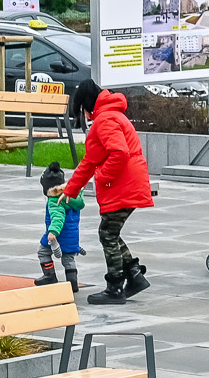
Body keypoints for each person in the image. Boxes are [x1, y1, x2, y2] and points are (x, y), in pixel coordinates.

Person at [53, 84, 153, 304]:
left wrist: (102, 177)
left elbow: (119, 153)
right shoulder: (109, 116)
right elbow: (90, 160)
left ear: (87, 106)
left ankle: (115, 287)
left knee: (107, 233)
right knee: (110, 232)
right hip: (129, 183)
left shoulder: (105, 120)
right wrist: (71, 189)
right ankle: (134, 275)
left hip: (124, 185)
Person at [35, 161, 86, 290]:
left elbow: (58, 218)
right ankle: (72, 284)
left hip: (57, 235)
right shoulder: (73, 195)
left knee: (43, 252)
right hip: (72, 235)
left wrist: (53, 232)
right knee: (68, 259)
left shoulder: (54, 200)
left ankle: (49, 275)